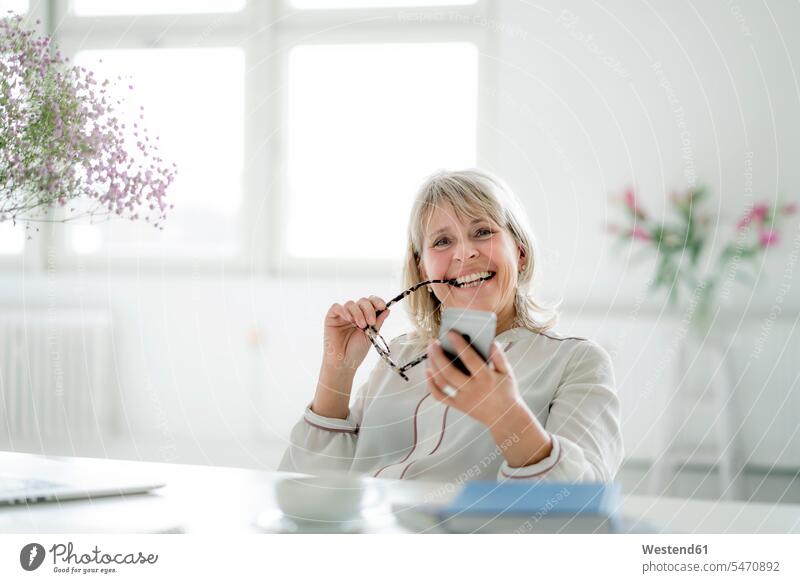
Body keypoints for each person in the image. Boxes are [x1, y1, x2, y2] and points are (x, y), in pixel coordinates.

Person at [279, 169, 623, 482]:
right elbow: (307, 490)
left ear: (519, 253)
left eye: (483, 231)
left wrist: (505, 414)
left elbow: (579, 508)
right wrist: (337, 372)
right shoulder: (398, 356)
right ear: (423, 268)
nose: (464, 254)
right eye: (442, 241)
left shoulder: (577, 363)